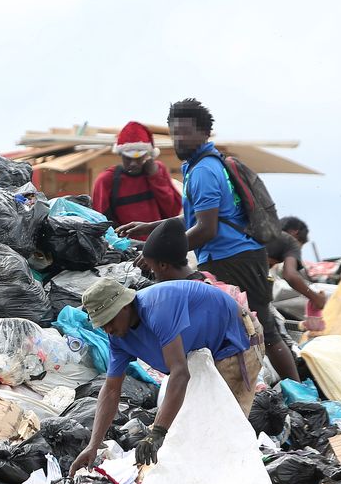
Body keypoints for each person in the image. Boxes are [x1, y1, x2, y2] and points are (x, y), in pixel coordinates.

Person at [117, 98, 299, 381]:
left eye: (186, 131)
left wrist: (160, 254)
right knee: (246, 328)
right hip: (230, 256)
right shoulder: (199, 165)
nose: (179, 138)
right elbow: (193, 220)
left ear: (204, 133)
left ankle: (295, 394)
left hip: (233, 258)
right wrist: (151, 226)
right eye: (174, 131)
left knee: (262, 329)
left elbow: (206, 230)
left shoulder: (203, 170)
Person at [69, 278, 263, 475]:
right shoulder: (118, 338)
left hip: (233, 344)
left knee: (223, 432)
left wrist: (157, 433)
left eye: (109, 320)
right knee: (193, 430)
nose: (108, 330)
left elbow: (180, 373)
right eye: (102, 326)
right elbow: (111, 389)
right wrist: (93, 445)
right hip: (200, 357)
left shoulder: (157, 310)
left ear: (125, 306)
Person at [91, 121, 182, 227]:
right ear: (121, 154)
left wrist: (155, 177)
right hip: (124, 242)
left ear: (148, 155)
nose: (133, 163)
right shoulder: (106, 180)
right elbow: (101, 222)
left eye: (138, 158)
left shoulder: (157, 171)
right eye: (128, 158)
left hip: (159, 240)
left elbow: (173, 212)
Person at [266, 228, 327, 311]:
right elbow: (290, 275)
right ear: (295, 233)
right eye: (300, 246)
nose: (299, 251)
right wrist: (316, 299)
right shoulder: (291, 243)